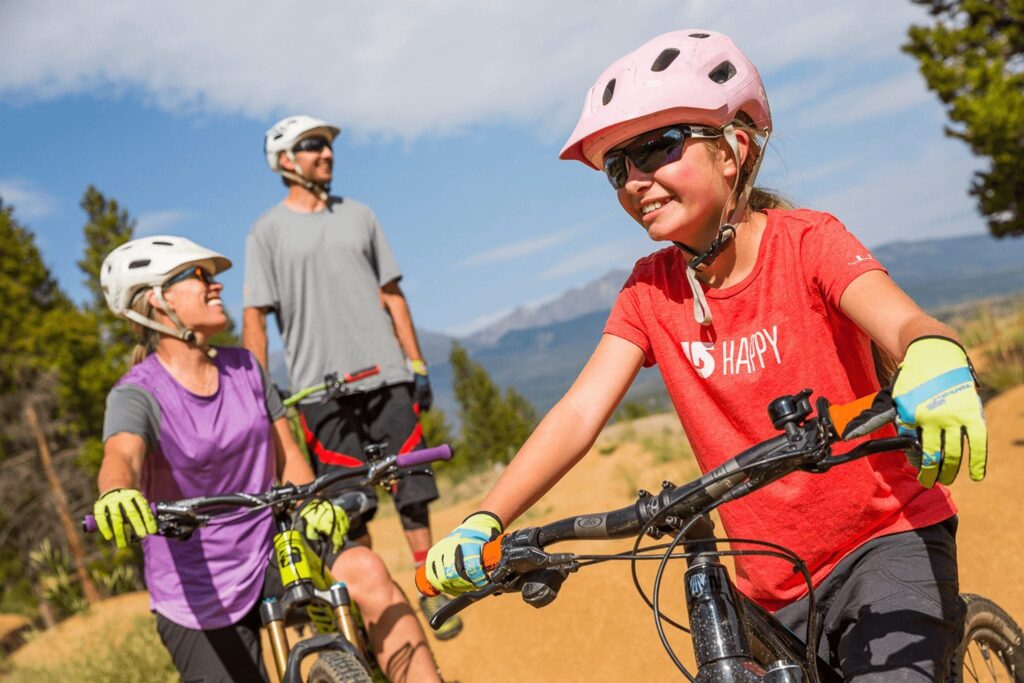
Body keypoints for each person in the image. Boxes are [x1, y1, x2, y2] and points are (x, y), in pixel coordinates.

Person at [425, 29, 988, 681]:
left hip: (886, 542)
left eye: (658, 147)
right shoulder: (647, 291)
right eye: (618, 167)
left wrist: (931, 356)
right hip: (770, 587)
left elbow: (905, 321)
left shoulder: (807, 243)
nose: (636, 179)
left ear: (734, 151)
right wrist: (486, 515)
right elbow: (579, 411)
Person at [93, 236, 442, 683]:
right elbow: (121, 452)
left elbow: (288, 455)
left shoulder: (246, 368)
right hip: (197, 593)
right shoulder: (137, 392)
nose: (216, 285)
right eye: (199, 276)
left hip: (271, 549)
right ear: (157, 302)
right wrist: (117, 491)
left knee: (368, 571)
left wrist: (308, 502)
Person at [242, 114, 460, 638]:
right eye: (314, 146)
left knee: (411, 488)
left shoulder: (360, 215)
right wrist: (257, 392)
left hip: (387, 373)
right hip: (320, 391)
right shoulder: (265, 232)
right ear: (286, 161)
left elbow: (392, 296)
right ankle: (370, 601)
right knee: (347, 502)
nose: (327, 154)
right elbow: (255, 318)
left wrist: (417, 363)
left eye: (328, 146)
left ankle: (429, 587)